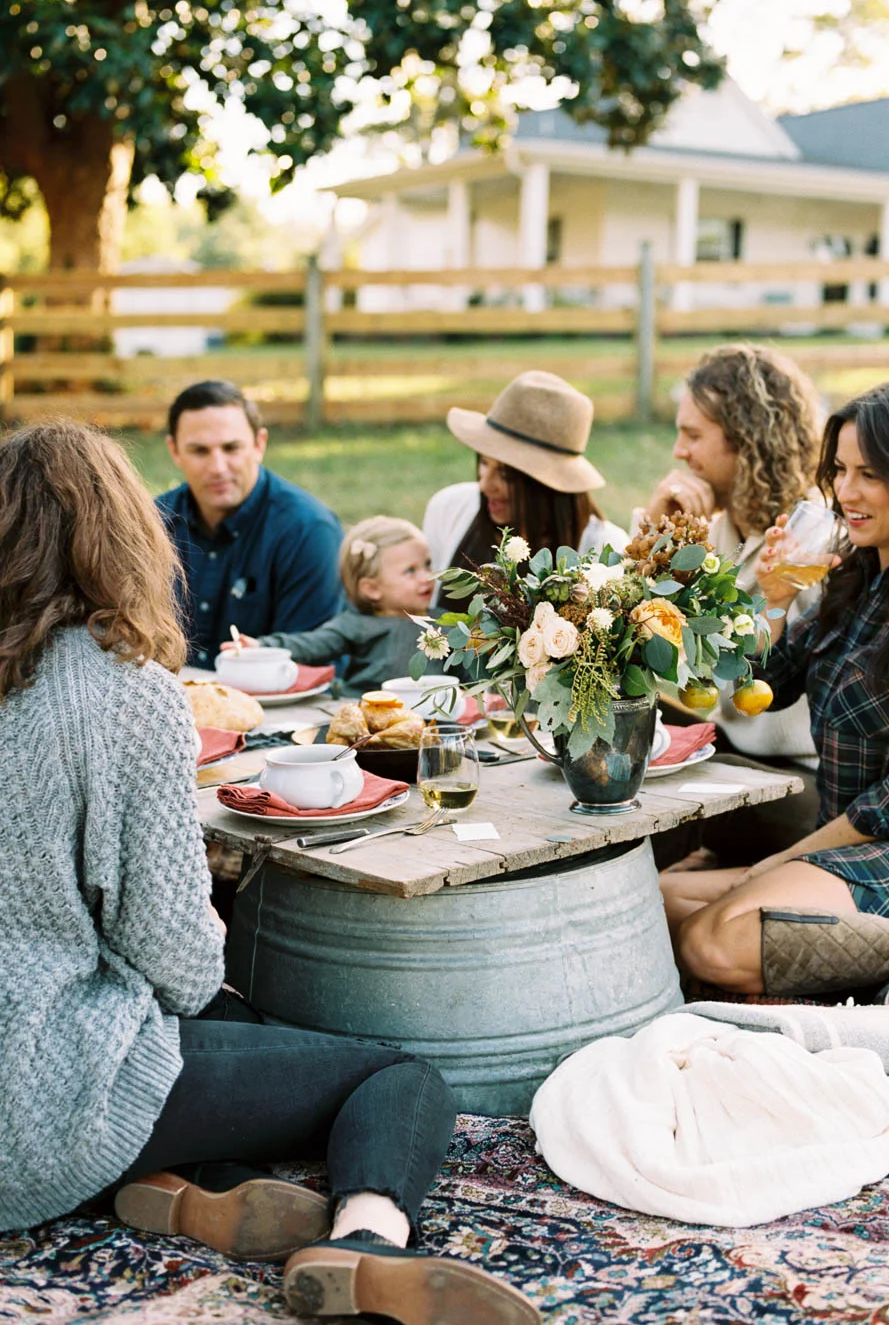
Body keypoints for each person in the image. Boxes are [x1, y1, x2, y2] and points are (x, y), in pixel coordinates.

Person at [0, 420, 538, 1325]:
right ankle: (364, 1243)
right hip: (36, 1091)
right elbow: (177, 964)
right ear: (123, 532)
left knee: (238, 1020)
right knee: (397, 1075)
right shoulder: (126, 694)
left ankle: (192, 1188)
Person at [659, 382, 889, 1008]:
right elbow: (767, 689)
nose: (845, 492)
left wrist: (779, 862)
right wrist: (775, 601)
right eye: (840, 470)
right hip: (843, 845)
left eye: (870, 473)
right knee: (657, 902)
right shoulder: (855, 578)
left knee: (711, 944)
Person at [642, 343, 824, 861]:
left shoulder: (806, 540)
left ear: (748, 444)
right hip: (724, 751)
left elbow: (754, 672)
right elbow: (640, 662)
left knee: (655, 800)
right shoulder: (716, 533)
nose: (679, 451)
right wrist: (656, 535)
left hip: (799, 778)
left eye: (694, 435)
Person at [157, 380, 345, 669]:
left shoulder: (308, 531)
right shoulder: (149, 526)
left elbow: (310, 661)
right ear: (174, 451)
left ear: (259, 445)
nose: (218, 467)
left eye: (231, 448)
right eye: (200, 451)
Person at [423, 370, 628, 611]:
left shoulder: (604, 550)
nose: (485, 485)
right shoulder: (448, 508)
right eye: (484, 463)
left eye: (506, 475)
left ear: (545, 487)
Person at [225, 515, 437, 696]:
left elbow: (468, 672)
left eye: (427, 565)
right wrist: (261, 647)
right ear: (372, 588)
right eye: (411, 571)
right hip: (366, 715)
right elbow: (311, 645)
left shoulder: (446, 625)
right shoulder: (357, 624)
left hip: (434, 722)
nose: (427, 577)